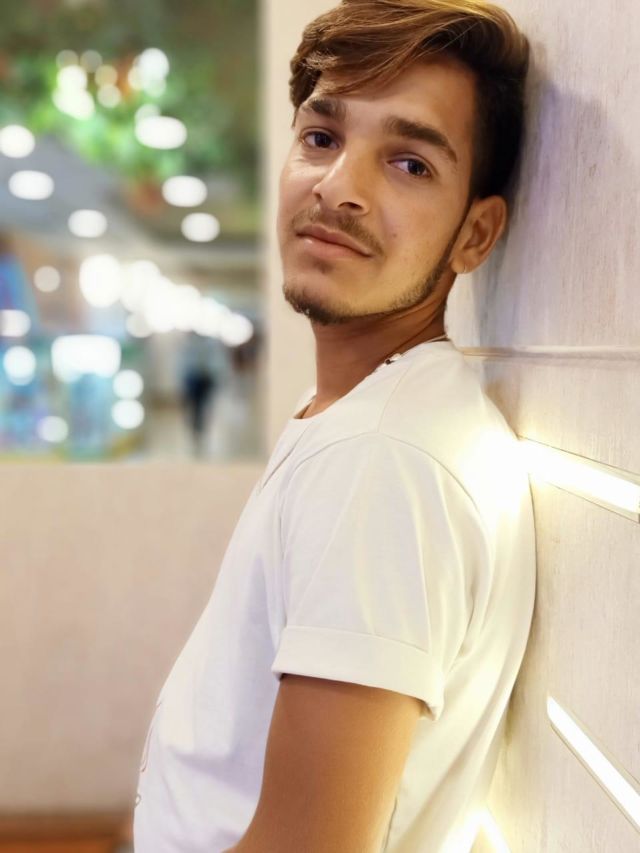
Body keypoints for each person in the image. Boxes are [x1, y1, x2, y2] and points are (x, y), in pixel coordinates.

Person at [133, 1, 535, 850]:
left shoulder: (382, 463)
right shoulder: (365, 416)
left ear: (476, 233)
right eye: (321, 137)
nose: (337, 186)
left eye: (410, 162)